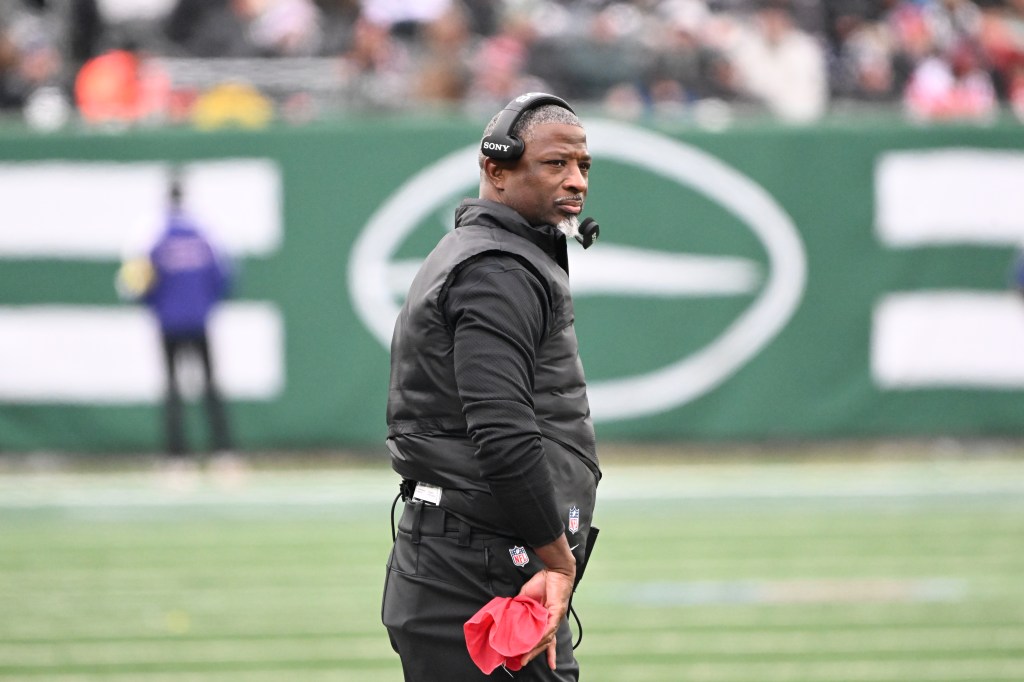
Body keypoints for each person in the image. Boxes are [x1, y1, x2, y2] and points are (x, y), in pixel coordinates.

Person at [381, 92, 602, 681]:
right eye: (555, 164)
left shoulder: (487, 256)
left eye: (583, 165)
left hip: (463, 555)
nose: (576, 181)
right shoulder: (497, 269)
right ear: (496, 170)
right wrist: (557, 560)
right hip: (479, 564)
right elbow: (502, 432)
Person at [117, 174, 234, 469]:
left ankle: (177, 457)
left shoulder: (153, 236)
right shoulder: (205, 233)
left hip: (169, 323)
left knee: (174, 390)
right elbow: (223, 277)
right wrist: (204, 305)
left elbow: (135, 284)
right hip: (197, 320)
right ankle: (223, 453)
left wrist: (156, 307)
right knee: (208, 386)